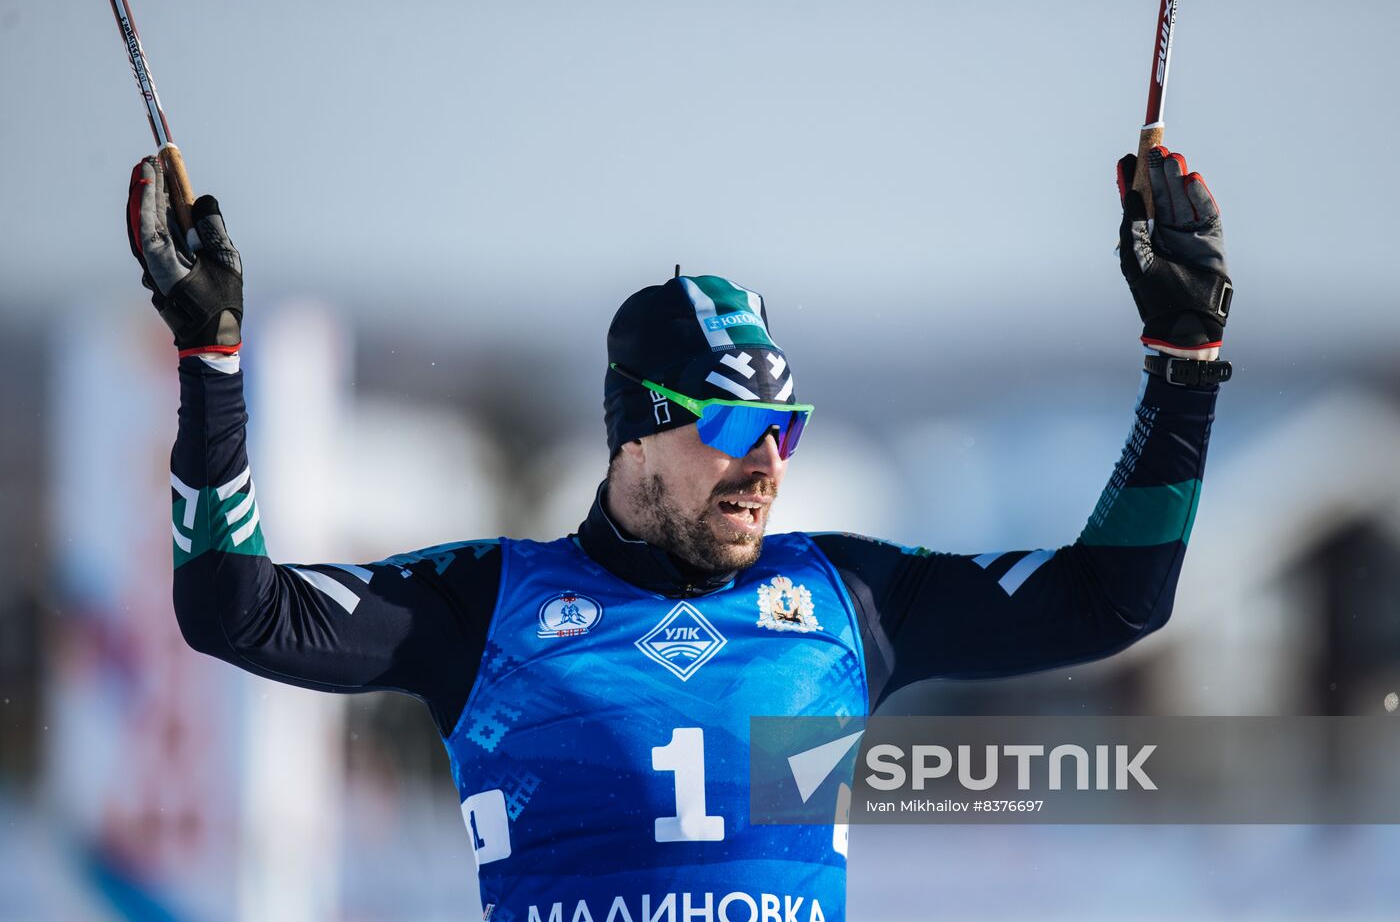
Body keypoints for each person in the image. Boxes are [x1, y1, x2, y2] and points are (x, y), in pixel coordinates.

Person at [126, 144, 1231, 921]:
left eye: (785, 427)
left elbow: (1113, 597)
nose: (765, 464)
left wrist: (1179, 364)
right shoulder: (485, 606)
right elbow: (234, 606)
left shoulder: (849, 600)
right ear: (638, 432)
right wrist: (213, 364)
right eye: (736, 423)